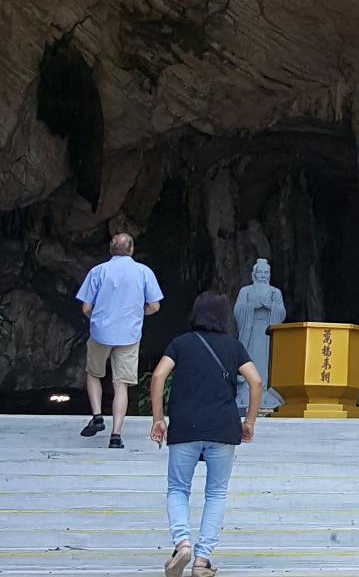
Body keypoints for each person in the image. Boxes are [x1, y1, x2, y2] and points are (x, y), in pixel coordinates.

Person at [151, 291, 263, 577]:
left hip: (185, 426)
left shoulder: (181, 344)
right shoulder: (233, 347)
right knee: (216, 493)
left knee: (178, 488)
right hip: (223, 427)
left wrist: (158, 419)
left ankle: (182, 543)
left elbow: (158, 376)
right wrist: (249, 421)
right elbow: (256, 381)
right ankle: (202, 560)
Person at [75, 232, 163, 448]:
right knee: (121, 384)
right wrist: (135, 313)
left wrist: (98, 319)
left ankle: (97, 415)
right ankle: (116, 435)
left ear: (111, 249)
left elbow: (86, 307)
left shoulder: (98, 271)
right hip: (129, 335)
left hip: (100, 333)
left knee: (93, 373)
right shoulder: (143, 272)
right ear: (131, 250)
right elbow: (154, 305)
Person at [232, 259, 285, 411]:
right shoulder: (246, 291)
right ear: (254, 274)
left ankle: (267, 392)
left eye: (265, 273)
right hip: (251, 333)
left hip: (268, 333)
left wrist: (271, 307)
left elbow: (281, 312)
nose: (263, 275)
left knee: (267, 361)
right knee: (251, 359)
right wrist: (252, 307)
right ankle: (247, 391)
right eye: (260, 272)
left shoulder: (275, 292)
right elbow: (238, 310)